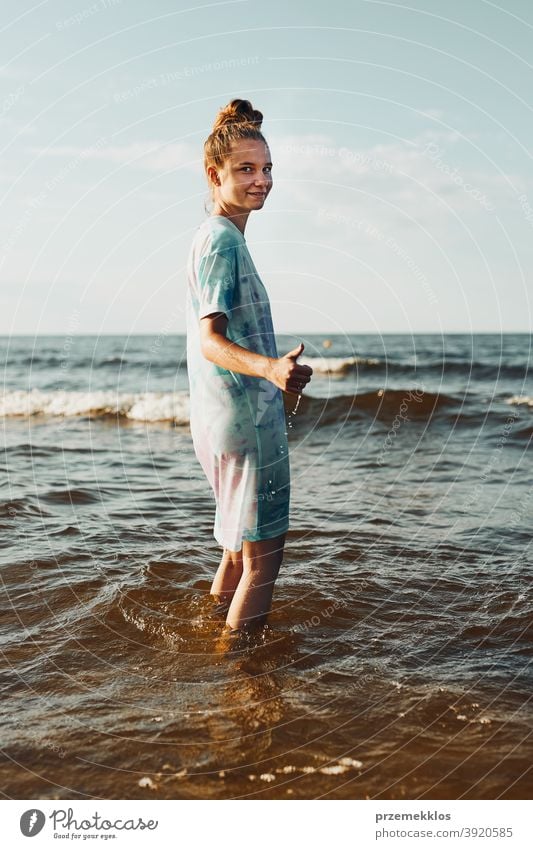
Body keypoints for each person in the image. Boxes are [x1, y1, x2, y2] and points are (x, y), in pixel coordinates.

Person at [185, 98, 313, 635]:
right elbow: (210, 340)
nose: (261, 181)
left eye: (266, 170)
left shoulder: (219, 237)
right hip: (246, 424)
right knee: (264, 562)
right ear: (215, 176)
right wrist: (270, 370)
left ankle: (209, 640)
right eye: (245, 170)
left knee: (239, 553)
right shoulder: (221, 243)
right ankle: (241, 687)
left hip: (222, 421)